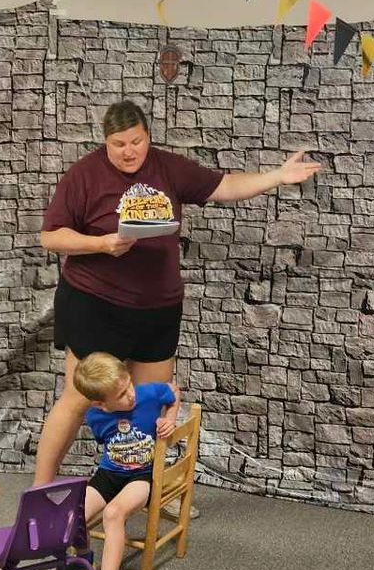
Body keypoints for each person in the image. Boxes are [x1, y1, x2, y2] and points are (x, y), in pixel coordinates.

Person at [35, 99, 320, 484]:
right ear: (106, 142)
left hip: (157, 308)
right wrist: (101, 244)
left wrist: (276, 176)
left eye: (136, 141)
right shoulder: (83, 174)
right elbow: (51, 236)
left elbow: (225, 185)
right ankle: (42, 489)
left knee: (150, 403)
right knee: (79, 397)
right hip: (94, 304)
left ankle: (142, 488)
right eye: (119, 144)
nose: (129, 151)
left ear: (147, 137)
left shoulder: (168, 167)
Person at [59, 352, 182, 570]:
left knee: (113, 514)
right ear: (101, 404)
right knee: (74, 514)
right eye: (122, 394)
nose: (130, 395)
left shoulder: (148, 394)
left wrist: (170, 419)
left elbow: (173, 392)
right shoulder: (94, 416)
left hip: (142, 477)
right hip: (109, 474)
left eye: (129, 386)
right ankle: (82, 559)